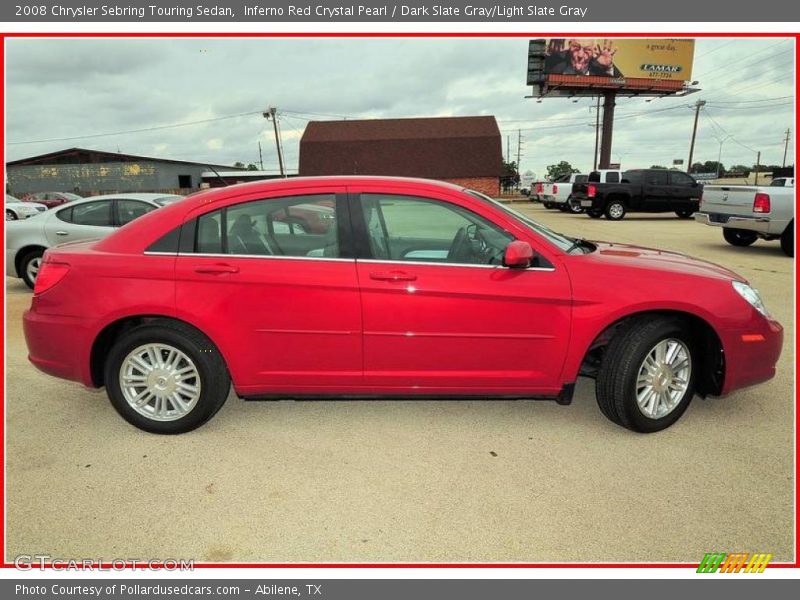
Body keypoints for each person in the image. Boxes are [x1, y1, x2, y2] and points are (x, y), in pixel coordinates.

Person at [545, 39, 622, 77]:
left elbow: (622, 84)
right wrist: (548, 51)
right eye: (576, 47)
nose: (580, 55)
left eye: (587, 49)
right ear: (569, 46)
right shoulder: (556, 61)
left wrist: (608, 67)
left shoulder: (599, 67)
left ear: (593, 51)